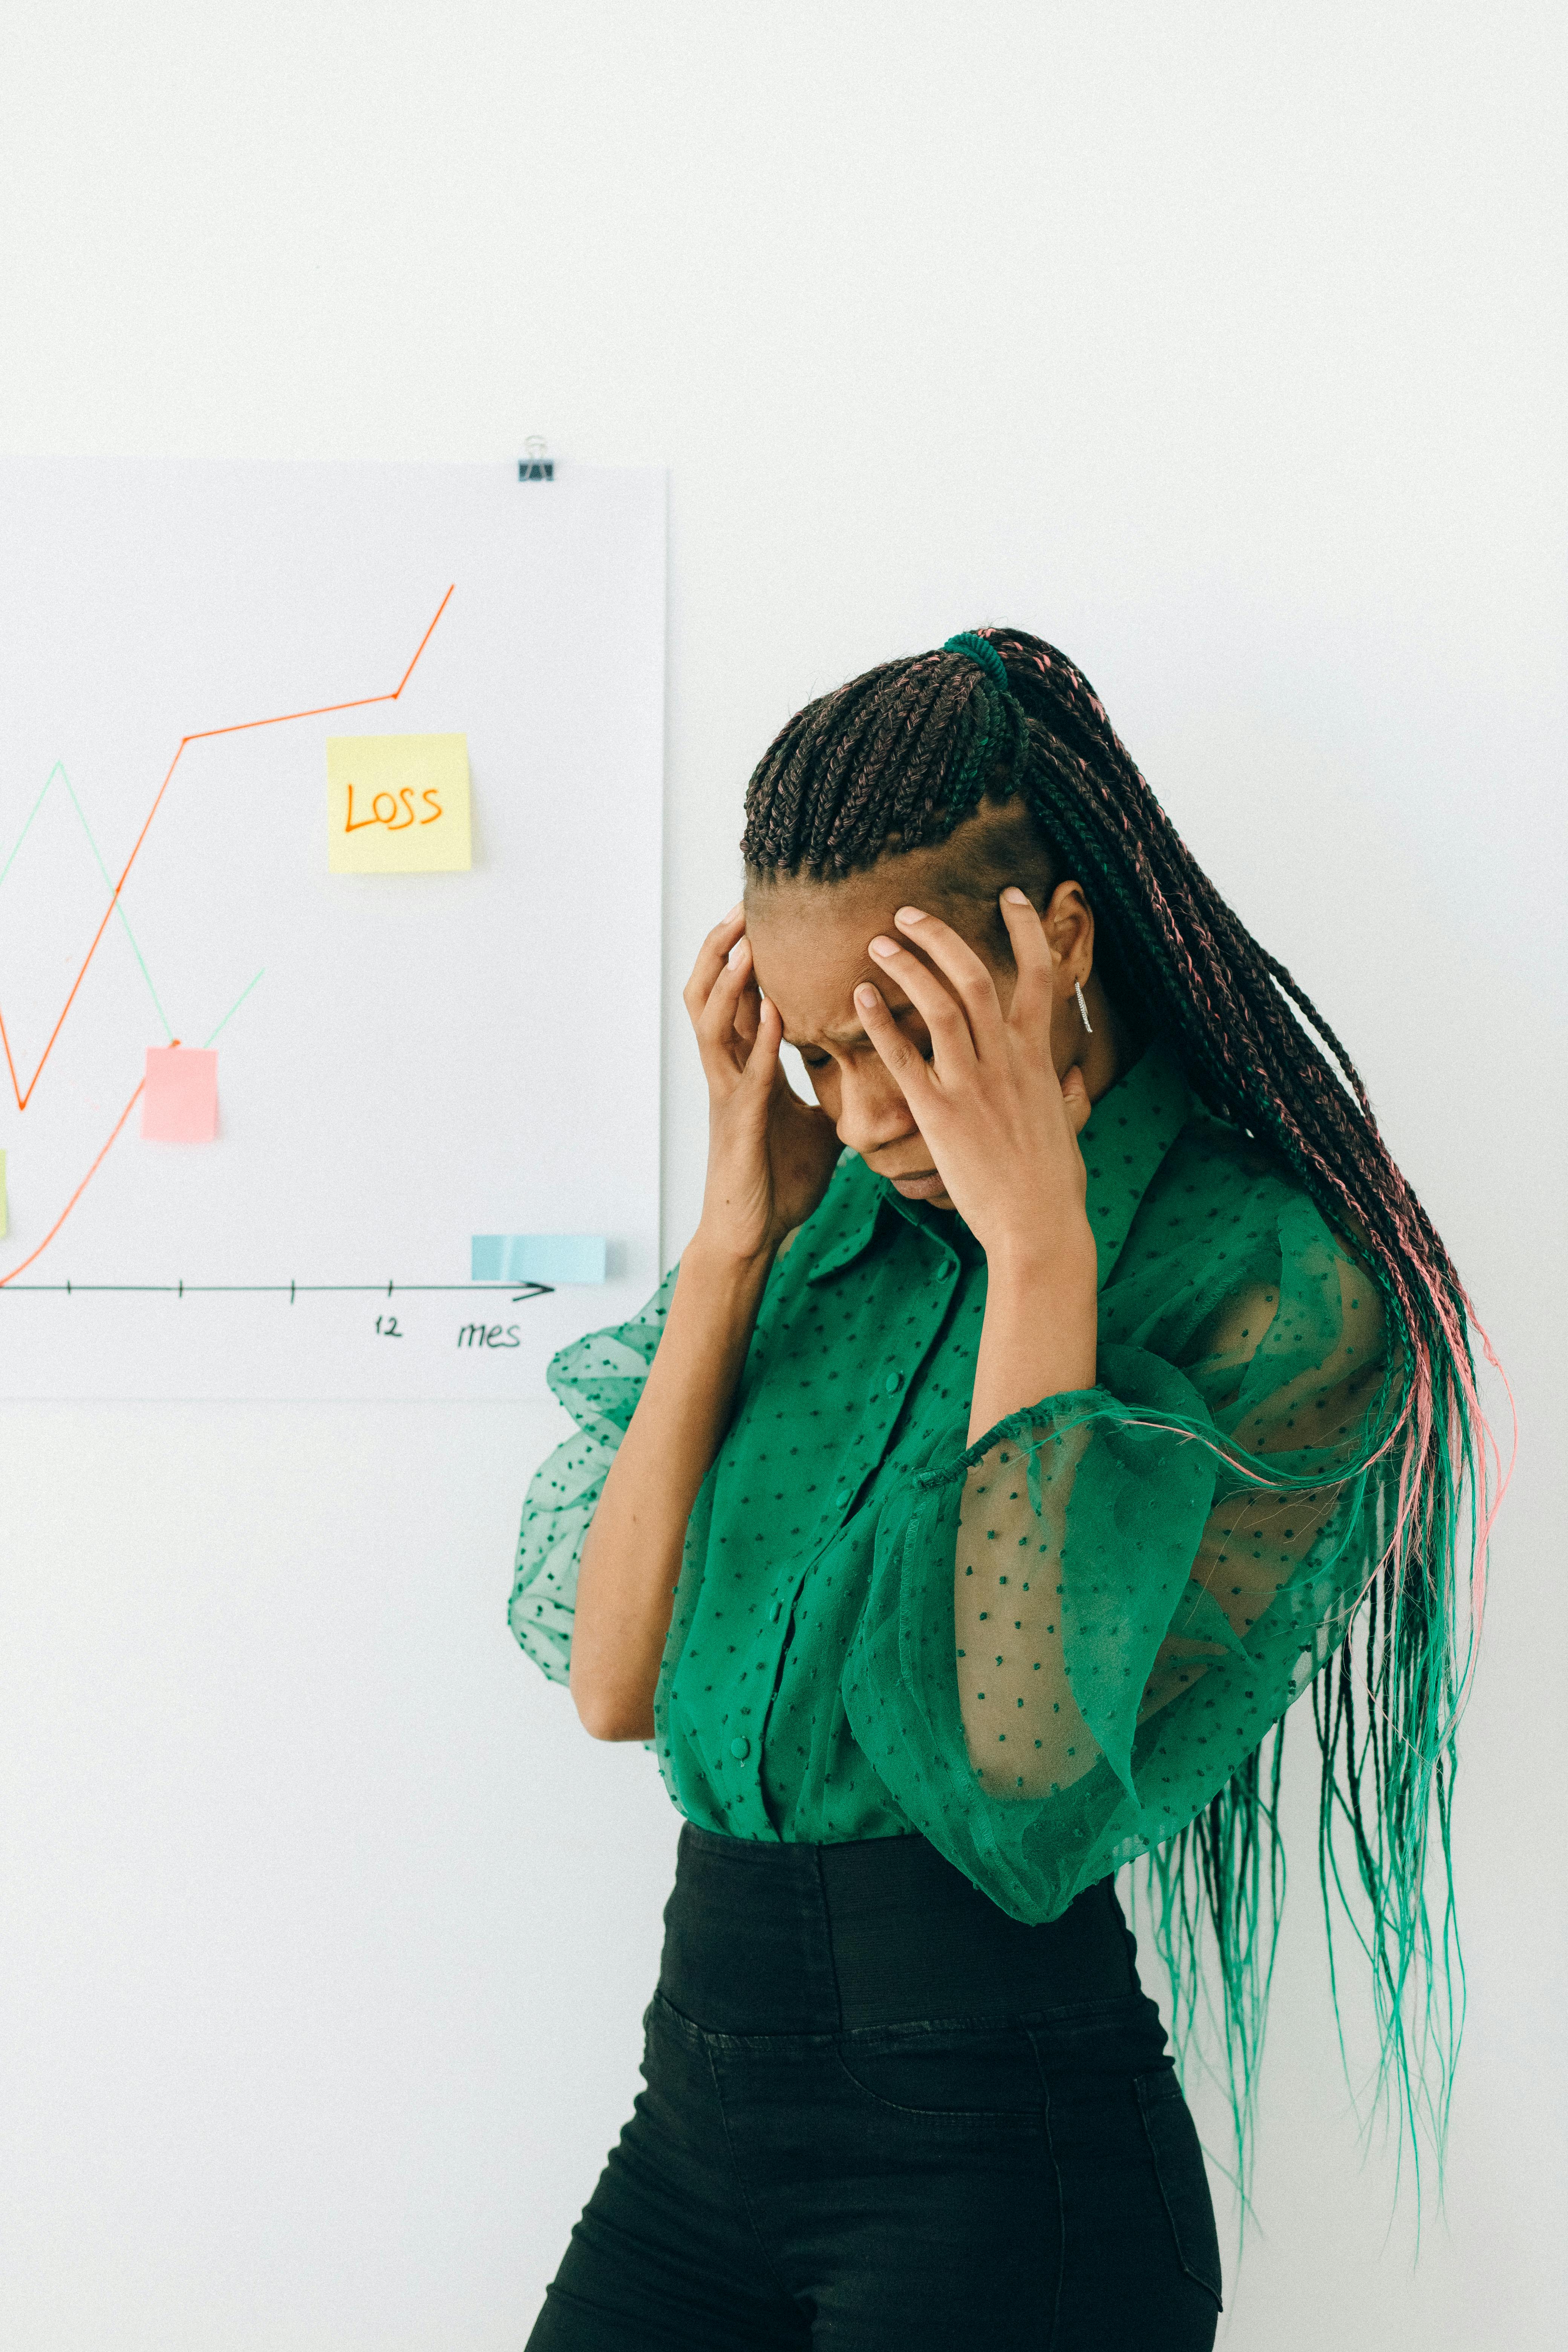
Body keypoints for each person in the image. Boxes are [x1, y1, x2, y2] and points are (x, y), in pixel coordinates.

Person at [510, 628, 1496, 2350]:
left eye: (903, 1033)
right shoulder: (824, 1230)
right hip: (692, 2136)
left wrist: (1038, 1245)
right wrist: (738, 1234)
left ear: (1053, 948)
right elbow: (612, 1682)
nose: (867, 1109)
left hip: (996, 2171)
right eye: (821, 1052)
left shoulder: (1263, 1274)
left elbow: (1016, 1764)